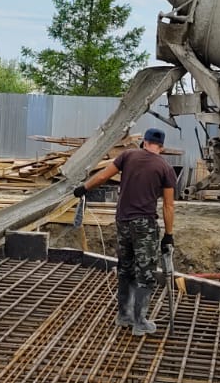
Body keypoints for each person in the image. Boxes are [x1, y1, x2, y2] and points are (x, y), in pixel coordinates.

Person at [73, 128, 176, 336]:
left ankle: (123, 315)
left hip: (123, 222)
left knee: (125, 268)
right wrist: (168, 235)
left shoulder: (127, 156)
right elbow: (168, 206)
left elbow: (102, 176)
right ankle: (139, 322)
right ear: (161, 147)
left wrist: (84, 188)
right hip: (144, 226)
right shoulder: (165, 168)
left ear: (144, 142)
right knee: (145, 272)